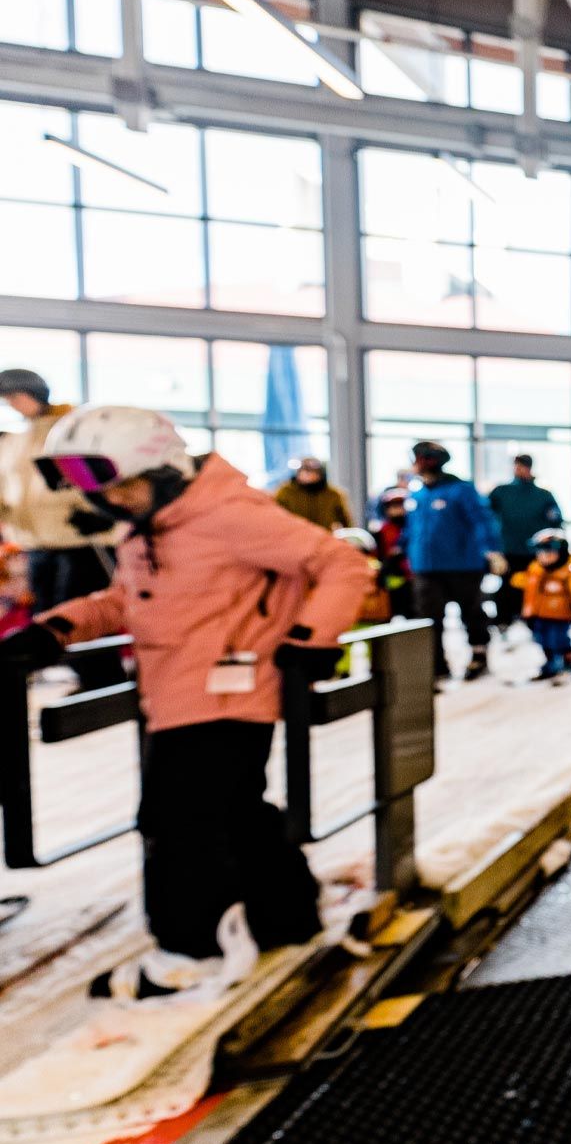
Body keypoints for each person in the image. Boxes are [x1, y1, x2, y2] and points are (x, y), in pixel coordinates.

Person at [0, 406, 366, 1000]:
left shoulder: (228, 515)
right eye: (104, 491)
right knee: (238, 812)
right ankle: (286, 917)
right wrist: (55, 628)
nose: (114, 501)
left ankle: (188, 952)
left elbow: (341, 563)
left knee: (176, 825)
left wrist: (312, 639)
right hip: (177, 692)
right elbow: (132, 599)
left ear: (163, 470)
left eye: (123, 485)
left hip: (225, 693)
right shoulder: (151, 526)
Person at [0, 369, 125, 692]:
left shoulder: (72, 428)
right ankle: (80, 677)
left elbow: (107, 474)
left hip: (82, 541)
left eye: (16, 396)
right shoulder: (14, 440)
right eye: (7, 399)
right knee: (47, 614)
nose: (12, 404)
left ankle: (102, 679)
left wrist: (105, 514)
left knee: (84, 612)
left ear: (34, 393)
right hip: (39, 543)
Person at [402, 441, 505, 681]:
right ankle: (436, 664)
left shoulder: (461, 490)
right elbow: (411, 530)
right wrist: (401, 551)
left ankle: (478, 655)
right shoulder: (417, 494)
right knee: (428, 619)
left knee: (471, 613)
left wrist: (491, 551)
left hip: (463, 566)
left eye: (418, 458)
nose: (414, 464)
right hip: (426, 567)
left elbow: (481, 521)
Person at [486, 454, 563, 639]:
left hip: (534, 553)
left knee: (535, 586)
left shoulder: (543, 495)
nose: (520, 469)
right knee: (508, 587)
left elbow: (556, 521)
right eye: (517, 466)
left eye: (523, 466)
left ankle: (534, 618)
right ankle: (504, 620)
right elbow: (484, 517)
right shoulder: (501, 492)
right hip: (509, 550)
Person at [512, 528, 571, 682]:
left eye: (549, 552)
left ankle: (567, 664)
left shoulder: (567, 572)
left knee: (559, 640)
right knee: (542, 640)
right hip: (539, 615)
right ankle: (550, 665)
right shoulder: (535, 570)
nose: (544, 557)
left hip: (560, 615)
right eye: (540, 552)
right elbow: (524, 584)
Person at [272, 456, 353, 532]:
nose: (308, 474)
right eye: (305, 470)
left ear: (320, 473)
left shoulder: (333, 494)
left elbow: (346, 521)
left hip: (324, 538)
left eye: (312, 471)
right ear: (298, 473)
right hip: (294, 538)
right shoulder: (285, 492)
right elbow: (276, 517)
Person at [370, 488, 415, 619]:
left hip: (412, 580)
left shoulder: (414, 528)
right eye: (393, 506)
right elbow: (377, 556)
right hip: (390, 581)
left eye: (400, 506)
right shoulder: (381, 531)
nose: (397, 510)